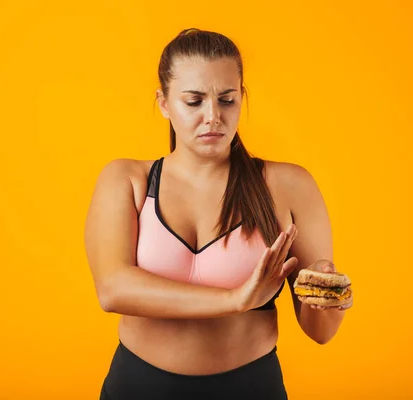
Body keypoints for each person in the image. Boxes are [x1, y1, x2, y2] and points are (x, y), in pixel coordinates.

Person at [84, 28, 353, 400]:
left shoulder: (288, 185)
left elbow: (321, 331)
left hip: (250, 387)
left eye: (226, 100)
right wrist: (236, 300)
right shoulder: (127, 180)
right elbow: (113, 290)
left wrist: (327, 294)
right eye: (193, 101)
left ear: (241, 97)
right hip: (138, 385)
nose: (213, 116)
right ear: (163, 103)